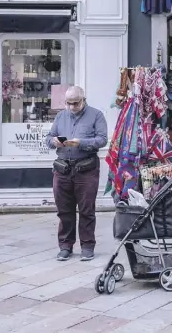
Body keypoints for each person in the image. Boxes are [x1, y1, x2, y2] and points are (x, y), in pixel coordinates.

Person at [46, 86, 108, 261]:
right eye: (68, 103)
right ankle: (65, 246)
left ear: (84, 100)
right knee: (64, 210)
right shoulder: (60, 116)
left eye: (76, 103)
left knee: (87, 210)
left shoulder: (96, 115)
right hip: (63, 168)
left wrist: (80, 143)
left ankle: (87, 246)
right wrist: (54, 142)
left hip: (86, 169)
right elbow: (49, 138)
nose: (72, 107)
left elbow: (102, 139)